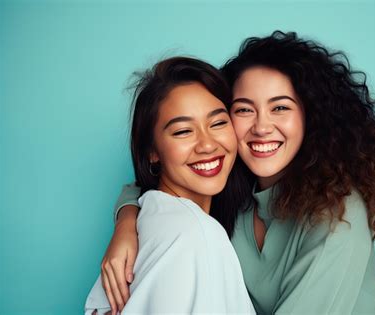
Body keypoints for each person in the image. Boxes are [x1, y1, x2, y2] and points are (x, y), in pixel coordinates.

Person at [102, 31, 375, 315]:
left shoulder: (337, 213)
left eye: (280, 108)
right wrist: (126, 222)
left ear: (310, 117)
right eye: (244, 109)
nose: (261, 127)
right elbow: (153, 182)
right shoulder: (227, 186)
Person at [85, 57, 255, 314]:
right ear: (152, 151)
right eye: (183, 131)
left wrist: (125, 216)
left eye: (218, 123)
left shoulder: (150, 213)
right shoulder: (196, 233)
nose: (207, 145)